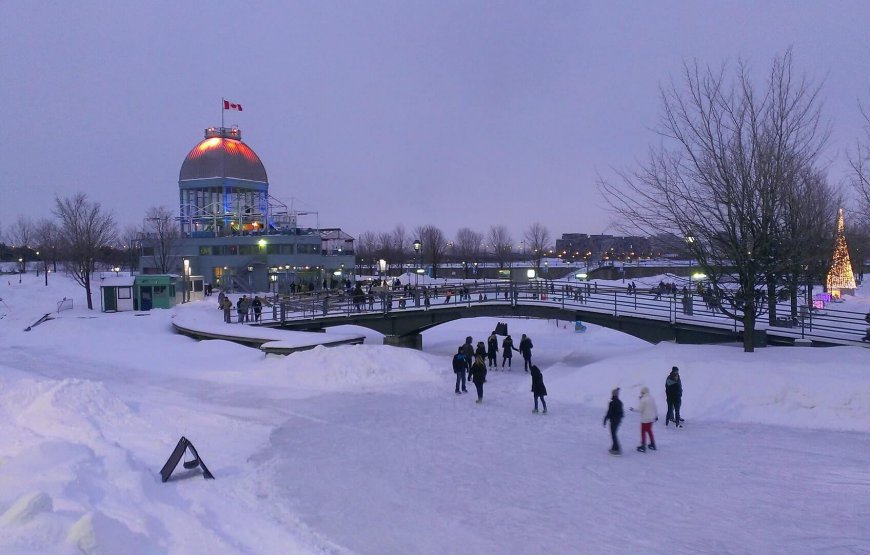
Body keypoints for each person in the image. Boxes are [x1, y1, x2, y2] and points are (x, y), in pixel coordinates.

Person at [631, 386, 658, 452]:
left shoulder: (643, 400)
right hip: (651, 418)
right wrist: (656, 416)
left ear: (642, 392)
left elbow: (640, 409)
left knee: (643, 432)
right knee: (649, 431)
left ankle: (643, 446)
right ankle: (652, 444)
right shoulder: (651, 398)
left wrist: (633, 409)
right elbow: (655, 407)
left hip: (645, 419)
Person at [603, 387, 624, 454]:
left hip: (614, 421)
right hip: (617, 421)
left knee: (613, 434)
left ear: (613, 394)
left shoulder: (612, 403)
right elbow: (622, 413)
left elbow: (609, 412)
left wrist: (605, 419)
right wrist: (619, 419)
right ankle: (614, 447)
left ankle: (617, 448)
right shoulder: (620, 402)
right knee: (614, 434)